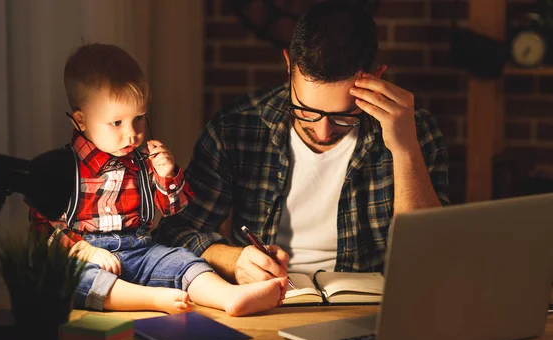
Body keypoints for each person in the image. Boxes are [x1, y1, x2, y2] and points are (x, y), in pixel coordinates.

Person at [155, 0, 449, 284]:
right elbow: (177, 231)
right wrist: (235, 261)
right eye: (306, 110)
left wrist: (405, 150)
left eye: (344, 116)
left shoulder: (414, 131)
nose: (322, 132)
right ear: (289, 67)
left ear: (376, 78)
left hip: (371, 311)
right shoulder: (236, 128)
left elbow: (430, 258)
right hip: (269, 303)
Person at [29, 43, 286, 317]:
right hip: (90, 254)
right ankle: (150, 298)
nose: (131, 134)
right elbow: (44, 223)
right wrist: (83, 250)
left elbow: (174, 210)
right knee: (74, 278)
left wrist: (167, 176)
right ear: (80, 121)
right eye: (116, 123)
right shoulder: (65, 168)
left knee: (182, 260)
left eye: (138, 118)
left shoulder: (143, 162)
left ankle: (228, 296)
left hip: (141, 248)